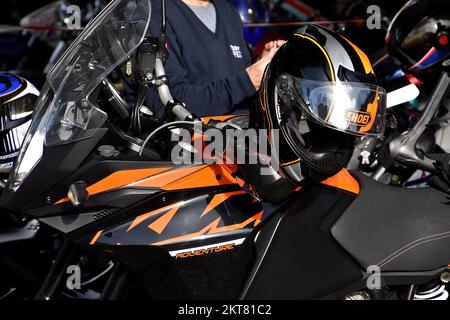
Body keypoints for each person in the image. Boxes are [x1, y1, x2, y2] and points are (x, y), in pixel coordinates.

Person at [146, 0, 284, 119]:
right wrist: (248, 81)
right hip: (196, 143)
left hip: (245, 138)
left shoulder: (228, 10)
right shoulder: (155, 13)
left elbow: (236, 77)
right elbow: (167, 103)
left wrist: (262, 64)